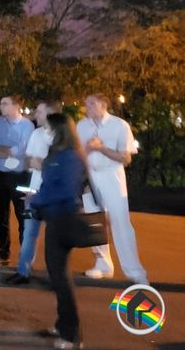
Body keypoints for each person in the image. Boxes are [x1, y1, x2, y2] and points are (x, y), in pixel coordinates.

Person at [32, 113, 88, 349]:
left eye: (49, 128)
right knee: (57, 274)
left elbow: (65, 191)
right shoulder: (60, 154)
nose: (46, 132)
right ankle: (63, 324)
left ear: (59, 131)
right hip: (55, 217)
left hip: (63, 218)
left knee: (61, 277)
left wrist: (36, 200)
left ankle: (71, 335)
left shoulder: (69, 157)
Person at [77, 94, 147, 285]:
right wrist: (87, 150)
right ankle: (103, 264)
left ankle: (134, 270)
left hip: (112, 176)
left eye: (91, 103)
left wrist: (101, 148)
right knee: (95, 221)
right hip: (90, 177)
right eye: (86, 104)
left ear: (103, 104)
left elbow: (126, 158)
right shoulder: (82, 126)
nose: (87, 107)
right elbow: (78, 153)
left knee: (120, 221)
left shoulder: (119, 125)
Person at [7, 101, 61, 284]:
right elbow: (29, 159)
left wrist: (43, 164)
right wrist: (38, 162)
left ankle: (57, 277)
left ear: (51, 114)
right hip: (34, 191)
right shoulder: (36, 134)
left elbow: (62, 165)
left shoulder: (63, 136)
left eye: (39, 112)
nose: (35, 115)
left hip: (55, 194)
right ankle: (23, 271)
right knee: (29, 232)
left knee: (55, 237)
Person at [0, 95, 35, 268]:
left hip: (19, 176)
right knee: (1, 216)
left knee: (22, 216)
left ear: (16, 106)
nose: (1, 106)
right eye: (1, 103)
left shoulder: (27, 125)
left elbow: (22, 150)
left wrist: (2, 149)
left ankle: (25, 257)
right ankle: (3, 252)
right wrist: (10, 150)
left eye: (5, 104)